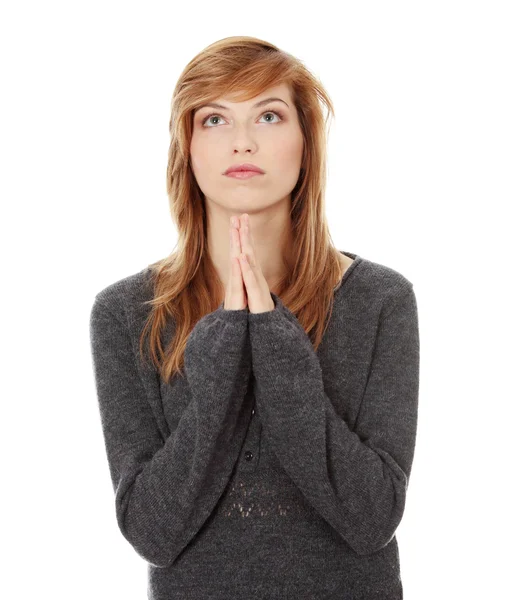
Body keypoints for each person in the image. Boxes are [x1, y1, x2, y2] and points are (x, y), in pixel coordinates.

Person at [89, 35, 420, 600]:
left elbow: (372, 518)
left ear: (305, 142)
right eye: (214, 120)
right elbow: (151, 530)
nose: (242, 143)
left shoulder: (380, 300)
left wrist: (273, 340)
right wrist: (222, 355)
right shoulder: (126, 313)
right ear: (187, 149)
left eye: (269, 115)